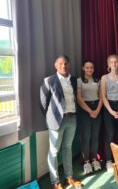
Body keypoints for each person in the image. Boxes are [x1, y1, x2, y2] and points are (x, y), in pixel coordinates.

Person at [40, 55, 83, 189]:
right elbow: (43, 103)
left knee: (67, 148)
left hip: (72, 118)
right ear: (55, 65)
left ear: (68, 65)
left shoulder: (73, 79)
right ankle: (55, 182)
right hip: (56, 121)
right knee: (53, 151)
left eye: (65, 63)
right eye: (60, 64)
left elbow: (75, 97)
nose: (63, 66)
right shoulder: (49, 80)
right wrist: (51, 117)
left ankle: (69, 177)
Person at [101, 54, 118, 172]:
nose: (114, 64)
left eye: (116, 62)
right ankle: (109, 161)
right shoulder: (104, 78)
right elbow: (103, 95)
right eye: (111, 62)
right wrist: (111, 111)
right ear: (108, 64)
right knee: (110, 134)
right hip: (109, 107)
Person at [77, 60, 103, 175]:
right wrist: (90, 111)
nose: (89, 69)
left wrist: (96, 110)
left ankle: (94, 160)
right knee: (86, 136)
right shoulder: (79, 81)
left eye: (91, 67)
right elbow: (79, 98)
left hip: (97, 108)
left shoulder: (98, 81)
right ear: (83, 68)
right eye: (87, 67)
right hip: (84, 110)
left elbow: (101, 97)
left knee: (95, 136)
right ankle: (86, 162)